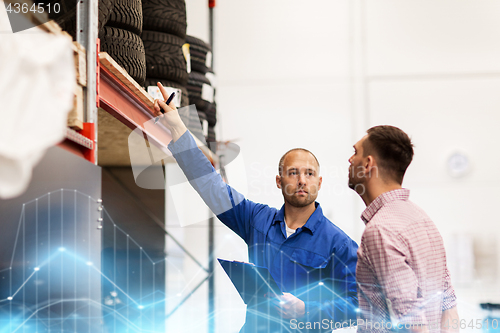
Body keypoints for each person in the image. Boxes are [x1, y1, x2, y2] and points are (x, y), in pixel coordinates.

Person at [153, 84, 359, 332]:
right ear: (279, 181)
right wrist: (177, 126)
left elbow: (358, 305)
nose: (302, 180)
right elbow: (211, 187)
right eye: (293, 173)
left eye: (310, 173)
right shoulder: (257, 219)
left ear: (319, 182)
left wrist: (307, 309)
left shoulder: (339, 243)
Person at [348, 125, 459, 333]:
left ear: (368, 164)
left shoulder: (380, 230)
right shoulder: (422, 219)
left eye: (355, 152)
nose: (350, 160)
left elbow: (412, 320)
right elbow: (449, 306)